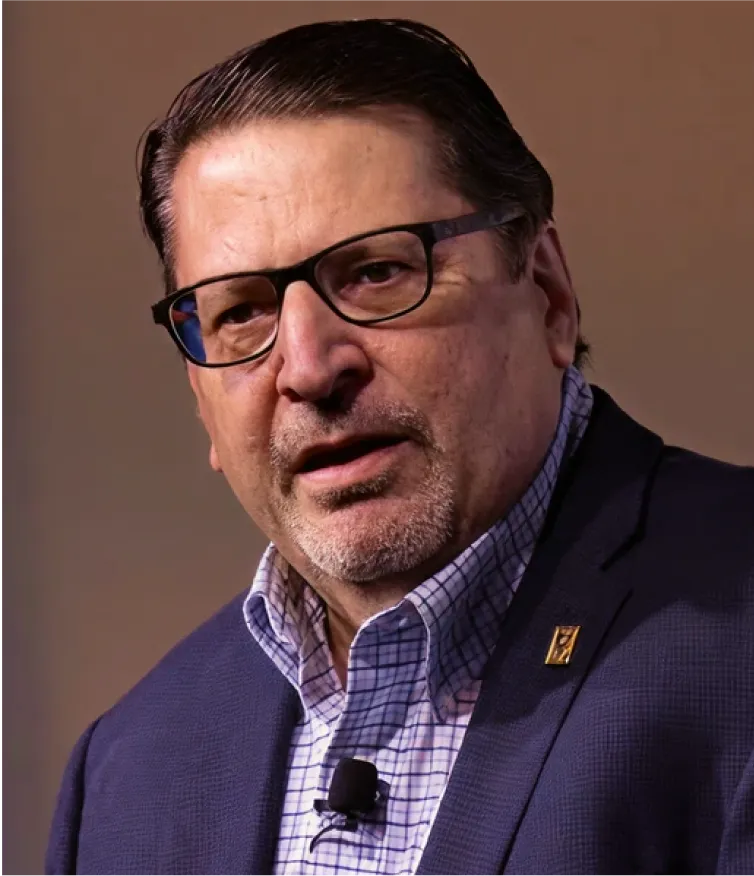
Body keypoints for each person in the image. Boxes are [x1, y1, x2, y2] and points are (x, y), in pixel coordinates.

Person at [46, 18, 754, 876]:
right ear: (201, 401)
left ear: (547, 295)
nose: (309, 368)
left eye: (376, 273)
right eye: (241, 312)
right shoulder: (127, 776)